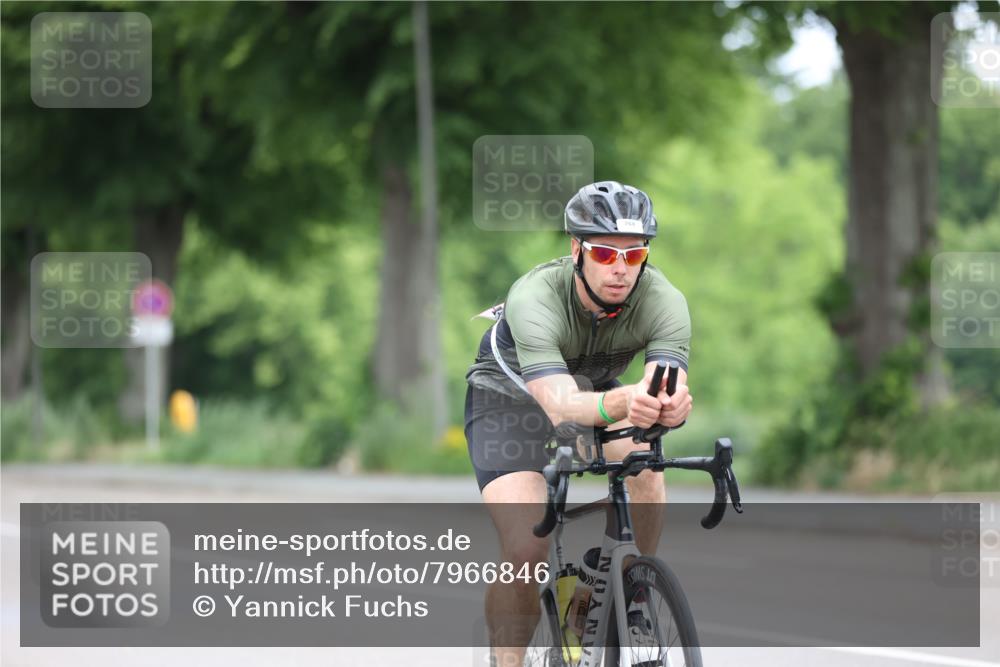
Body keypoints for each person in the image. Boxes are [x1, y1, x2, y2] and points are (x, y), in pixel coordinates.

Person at [464, 181, 693, 666]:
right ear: (577, 250)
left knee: (645, 469)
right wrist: (630, 401)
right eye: (605, 253)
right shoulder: (534, 297)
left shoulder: (664, 300)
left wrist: (669, 405)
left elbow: (662, 383)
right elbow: (562, 405)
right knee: (528, 546)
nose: (619, 269)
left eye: (634, 256)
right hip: (509, 404)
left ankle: (630, 588)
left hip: (594, 392)